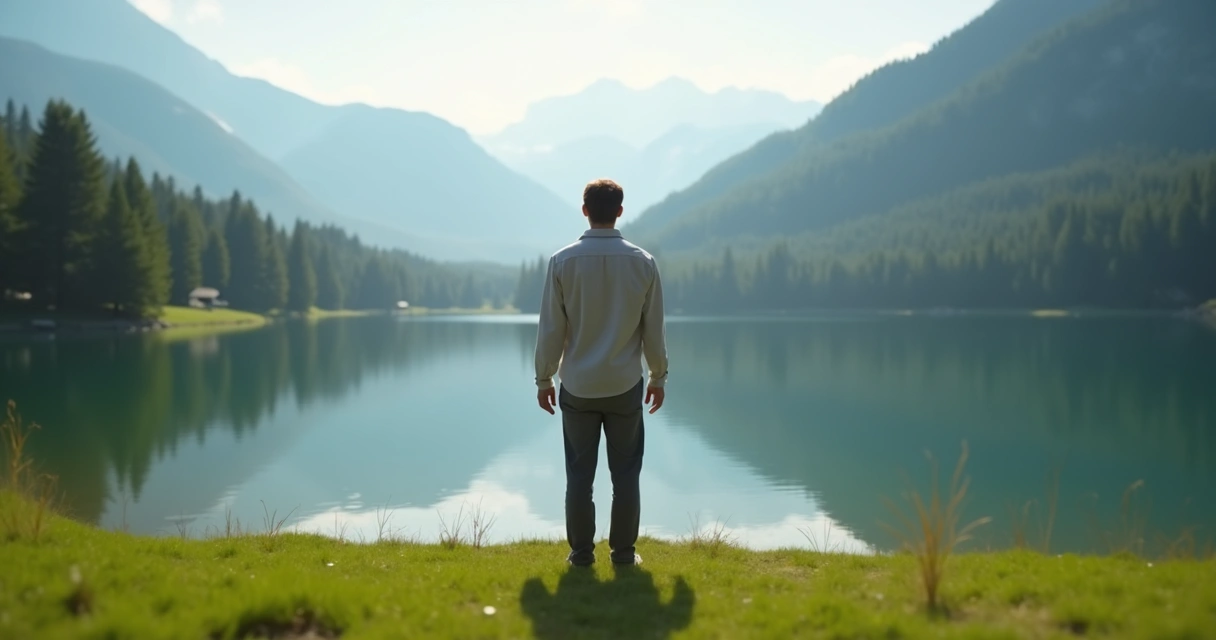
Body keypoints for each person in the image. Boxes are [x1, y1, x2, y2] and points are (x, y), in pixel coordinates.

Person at [534, 178, 669, 567]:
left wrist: (544, 378)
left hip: (577, 386)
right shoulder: (643, 262)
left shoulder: (562, 261)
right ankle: (623, 555)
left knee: (580, 475)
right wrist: (658, 376)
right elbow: (653, 329)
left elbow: (551, 330)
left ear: (585, 210)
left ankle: (581, 555)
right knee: (625, 474)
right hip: (625, 385)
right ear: (620, 211)